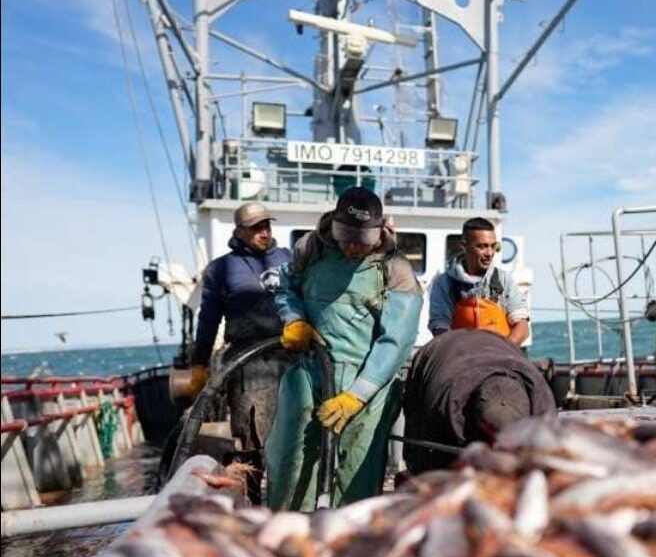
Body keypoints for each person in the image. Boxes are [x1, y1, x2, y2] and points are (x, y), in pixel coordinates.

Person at [265, 187, 422, 510]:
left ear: (378, 235)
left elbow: (396, 341)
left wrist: (357, 396)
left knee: (358, 473)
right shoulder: (311, 248)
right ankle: (289, 528)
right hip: (309, 369)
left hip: (367, 381)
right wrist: (294, 319)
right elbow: (286, 287)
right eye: (345, 239)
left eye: (361, 242)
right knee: (291, 458)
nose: (351, 248)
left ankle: (350, 533)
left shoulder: (397, 270)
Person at [188, 202, 292, 502]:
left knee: (295, 433)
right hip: (249, 364)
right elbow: (208, 320)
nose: (265, 232)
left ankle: (293, 501)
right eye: (256, 227)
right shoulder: (221, 269)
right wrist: (199, 364)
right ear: (239, 231)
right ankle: (254, 504)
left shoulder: (288, 258)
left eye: (267, 225)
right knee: (252, 438)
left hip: (292, 357)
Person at [402, 329, 557, 474]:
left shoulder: (542, 406)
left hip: (496, 345)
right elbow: (432, 453)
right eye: (493, 438)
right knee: (426, 459)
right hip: (440, 351)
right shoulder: (441, 403)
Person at [428, 217, 530, 346]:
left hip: (502, 352)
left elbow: (522, 327)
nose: (489, 253)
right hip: (459, 353)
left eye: (493, 246)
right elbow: (440, 327)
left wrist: (502, 351)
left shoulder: (503, 280)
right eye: (482, 246)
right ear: (464, 246)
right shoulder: (444, 283)